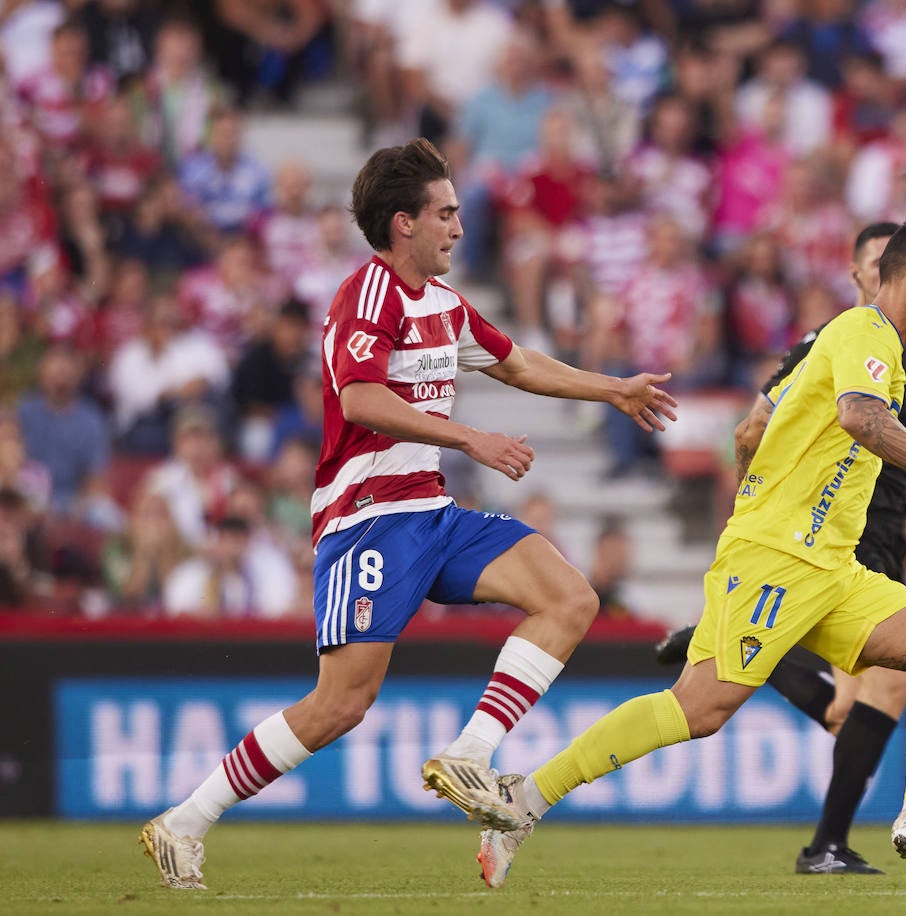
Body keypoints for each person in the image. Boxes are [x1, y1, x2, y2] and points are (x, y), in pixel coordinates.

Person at [139, 138, 678, 890]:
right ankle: (184, 822)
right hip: (365, 518)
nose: (460, 228)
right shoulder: (368, 295)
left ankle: (468, 756)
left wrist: (612, 389)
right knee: (341, 705)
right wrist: (470, 438)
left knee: (570, 597)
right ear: (403, 224)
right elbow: (358, 397)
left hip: (428, 509)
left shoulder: (445, 304)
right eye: (446, 214)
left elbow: (517, 362)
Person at [474, 217, 906, 890]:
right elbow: (858, 417)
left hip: (832, 568)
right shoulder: (864, 332)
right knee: (698, 709)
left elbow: (757, 422)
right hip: (780, 561)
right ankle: (526, 799)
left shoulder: (873, 348)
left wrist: (762, 461)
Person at [657, 221, 906, 874]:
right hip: (824, 533)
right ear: (863, 274)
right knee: (885, 692)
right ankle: (837, 841)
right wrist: (752, 506)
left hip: (881, 529)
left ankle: (829, 839)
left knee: (849, 709)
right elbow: (755, 425)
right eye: (868, 262)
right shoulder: (828, 341)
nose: (873, 272)